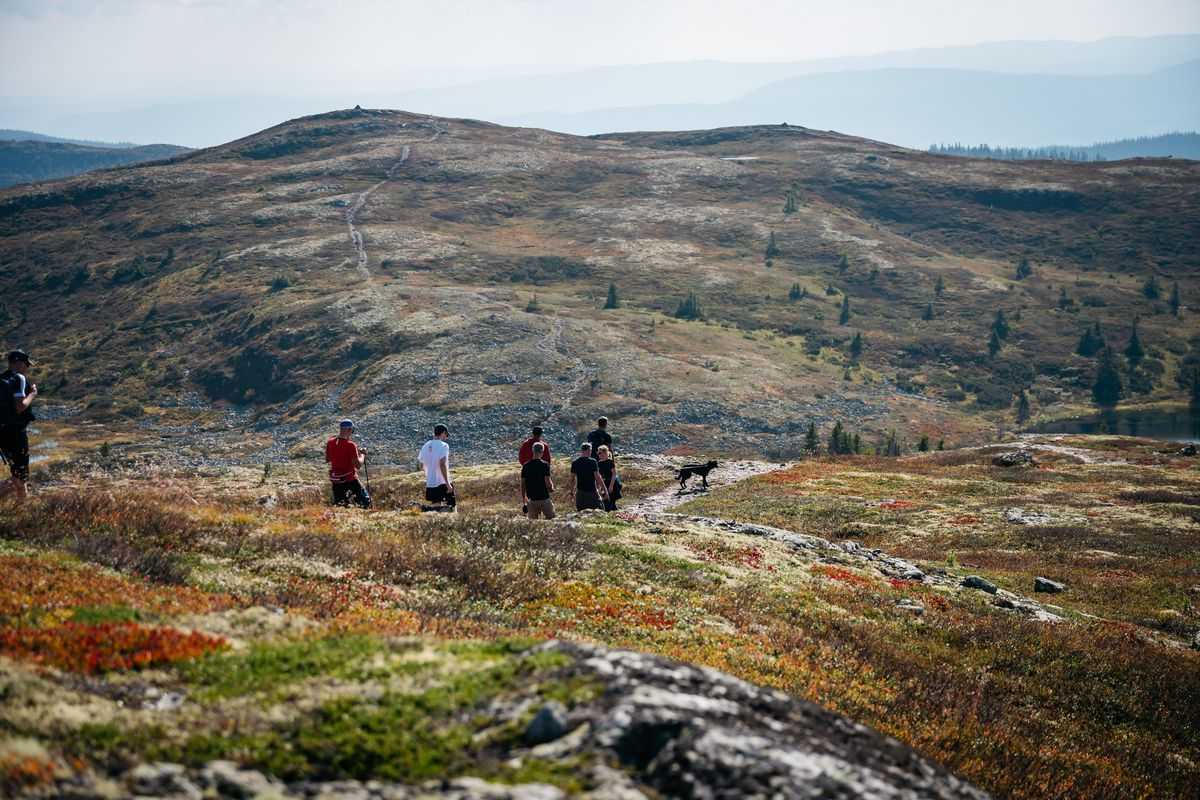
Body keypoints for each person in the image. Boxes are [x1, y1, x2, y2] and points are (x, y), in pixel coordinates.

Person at [0, 350, 36, 502]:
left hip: (2, 432)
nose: (27, 368)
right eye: (26, 364)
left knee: (19, 473)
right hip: (15, 433)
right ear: (18, 362)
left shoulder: (1, 379)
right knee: (20, 475)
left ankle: (23, 505)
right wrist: (33, 394)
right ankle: (23, 506)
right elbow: (20, 406)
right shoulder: (19, 378)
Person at [325, 419, 371, 508]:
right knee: (364, 502)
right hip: (350, 479)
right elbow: (358, 465)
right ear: (350, 430)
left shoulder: (330, 442)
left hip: (336, 481)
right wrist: (362, 455)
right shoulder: (351, 445)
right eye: (352, 431)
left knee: (341, 505)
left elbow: (328, 459)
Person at [419, 423, 455, 510]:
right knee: (451, 508)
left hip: (430, 483)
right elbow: (442, 464)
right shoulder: (444, 445)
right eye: (446, 435)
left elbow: (421, 464)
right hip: (441, 482)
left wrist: (429, 474)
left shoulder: (426, 445)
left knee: (435, 507)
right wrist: (448, 484)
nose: (446, 437)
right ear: (443, 433)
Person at [570, 442, 608, 511]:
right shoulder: (593, 462)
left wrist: (572, 492)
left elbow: (572, 479)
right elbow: (598, 477)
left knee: (581, 512)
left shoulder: (575, 462)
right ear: (589, 450)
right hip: (592, 492)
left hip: (580, 493)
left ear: (581, 450)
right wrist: (605, 490)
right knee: (599, 510)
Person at [521, 441, 555, 519]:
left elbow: (523, 484)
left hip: (532, 499)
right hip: (544, 498)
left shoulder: (526, 466)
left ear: (533, 451)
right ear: (542, 452)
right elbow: (548, 481)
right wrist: (551, 488)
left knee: (533, 523)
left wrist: (524, 499)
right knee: (551, 519)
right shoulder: (545, 465)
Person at [596, 444, 621, 512]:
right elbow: (599, 476)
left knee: (611, 501)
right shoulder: (599, 463)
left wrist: (611, 486)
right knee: (606, 501)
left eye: (600, 453)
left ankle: (614, 515)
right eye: (598, 453)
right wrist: (599, 487)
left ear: (605, 452)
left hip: (612, 482)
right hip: (604, 483)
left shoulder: (610, 462)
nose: (599, 454)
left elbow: (614, 474)